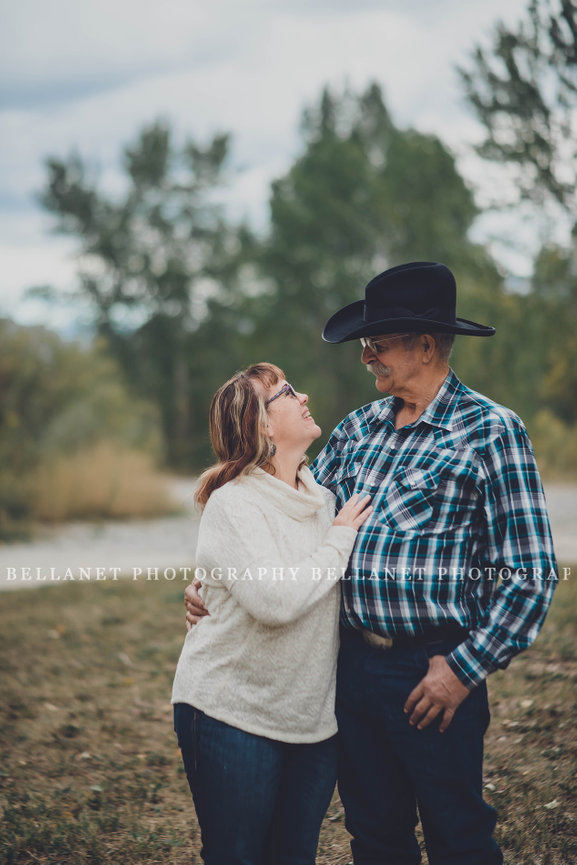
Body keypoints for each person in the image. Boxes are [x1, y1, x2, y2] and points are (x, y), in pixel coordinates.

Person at [186, 263, 557, 865]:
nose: (366, 358)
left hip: (432, 667)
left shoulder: (492, 432)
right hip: (348, 668)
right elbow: (283, 516)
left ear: (427, 345)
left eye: (376, 344)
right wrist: (214, 579)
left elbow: (530, 576)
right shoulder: (358, 430)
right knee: (375, 835)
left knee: (458, 833)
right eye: (365, 345)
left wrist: (463, 670)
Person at [172, 362, 372, 865]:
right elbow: (277, 601)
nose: (302, 395)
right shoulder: (233, 505)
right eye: (286, 392)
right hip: (230, 715)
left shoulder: (325, 501)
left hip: (310, 722)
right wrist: (340, 539)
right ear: (262, 424)